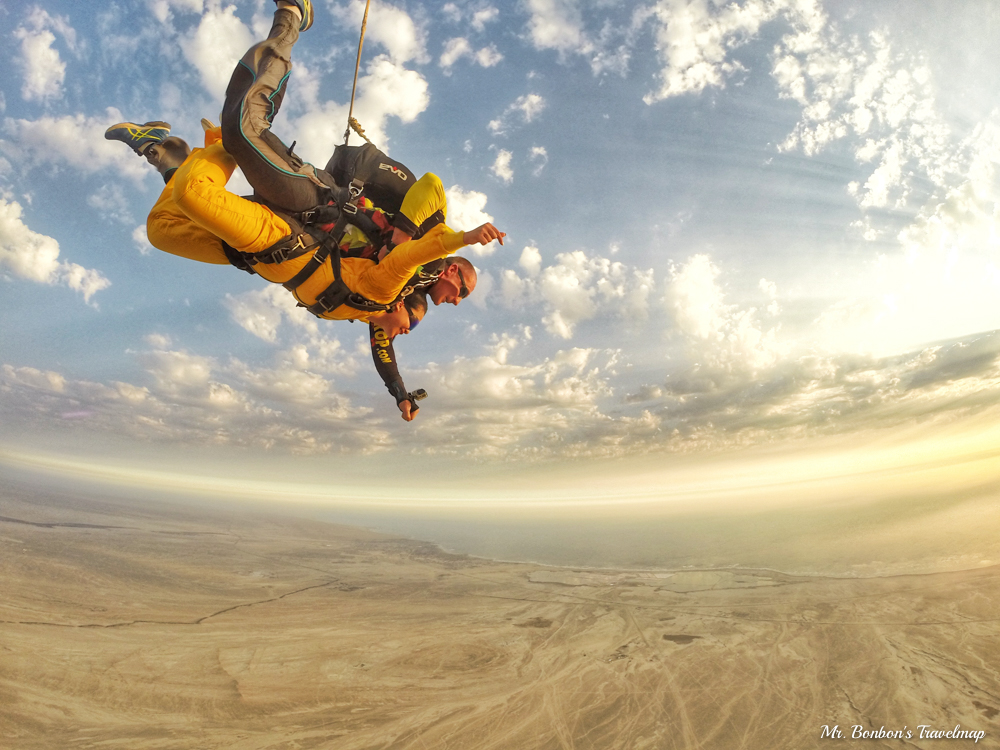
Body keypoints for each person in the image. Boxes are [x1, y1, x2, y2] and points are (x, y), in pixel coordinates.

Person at [105, 119, 496, 419]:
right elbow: (430, 186)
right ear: (453, 274)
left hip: (272, 262)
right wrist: (453, 238)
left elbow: (383, 342)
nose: (457, 303)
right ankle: (223, 143)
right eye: (462, 293)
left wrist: (399, 392)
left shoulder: (397, 298)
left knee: (164, 232)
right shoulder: (432, 256)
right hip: (300, 234)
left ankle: (166, 153)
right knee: (198, 198)